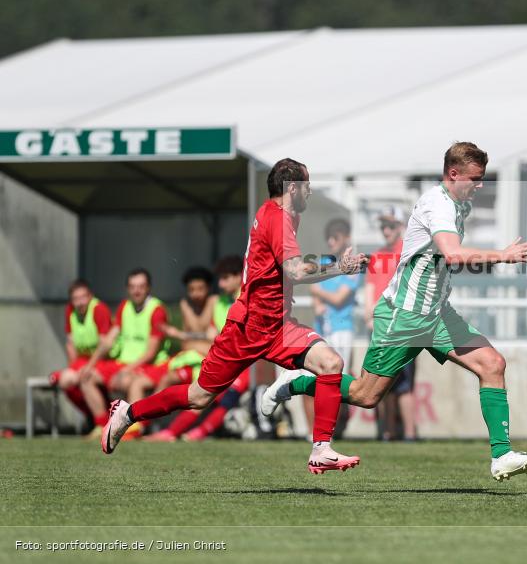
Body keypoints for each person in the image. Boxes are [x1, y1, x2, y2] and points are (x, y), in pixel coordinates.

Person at [263, 142, 527, 481]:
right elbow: (453, 254)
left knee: (493, 364)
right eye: (475, 178)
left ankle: (501, 456)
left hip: (437, 314)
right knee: (365, 395)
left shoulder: (459, 203)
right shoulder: (438, 205)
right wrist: (503, 255)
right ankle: (300, 381)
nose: (481, 184)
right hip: (405, 315)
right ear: (453, 174)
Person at [100, 158, 368, 475]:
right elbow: (295, 270)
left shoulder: (281, 216)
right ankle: (128, 413)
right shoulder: (277, 218)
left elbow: (287, 273)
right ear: (292, 188)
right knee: (198, 396)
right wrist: (339, 266)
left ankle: (321, 448)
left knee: (330, 364)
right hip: (248, 328)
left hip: (278, 326)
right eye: (307, 186)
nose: (309, 192)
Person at [270, 218, 362, 440]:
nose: (331, 242)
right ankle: (317, 432)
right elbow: (311, 287)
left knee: (337, 381)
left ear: (346, 238)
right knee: (320, 378)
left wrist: (320, 294)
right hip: (323, 330)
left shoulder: (353, 266)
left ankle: (329, 431)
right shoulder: (324, 261)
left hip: (342, 330)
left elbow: (338, 298)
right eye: (329, 238)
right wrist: (319, 295)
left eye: (336, 238)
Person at [146, 256, 247, 442]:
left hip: (243, 363)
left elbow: (221, 339)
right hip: (213, 359)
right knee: (186, 385)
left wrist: (188, 338)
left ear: (238, 276)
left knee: (221, 392)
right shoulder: (220, 302)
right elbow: (211, 337)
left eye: (225, 278)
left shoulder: (245, 298)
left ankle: (187, 432)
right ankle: (150, 426)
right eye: (220, 279)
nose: (221, 283)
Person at [80, 268, 170, 438]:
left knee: (131, 382)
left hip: (151, 365)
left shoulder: (157, 310)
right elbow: (109, 340)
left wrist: (125, 371)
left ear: (148, 288)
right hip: (124, 364)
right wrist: (90, 365)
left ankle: (135, 429)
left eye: (141, 286)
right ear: (127, 289)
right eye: (132, 286)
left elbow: (151, 353)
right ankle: (102, 425)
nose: (136, 291)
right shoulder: (124, 306)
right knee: (87, 376)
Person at [367, 206, 417, 441]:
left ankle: (408, 434)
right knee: (380, 384)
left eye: (390, 225)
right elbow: (370, 292)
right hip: (381, 327)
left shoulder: (408, 254)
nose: (385, 230)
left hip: (402, 327)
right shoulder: (377, 256)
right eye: (383, 226)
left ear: (401, 227)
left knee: (404, 385)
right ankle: (387, 433)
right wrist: (371, 315)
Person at [48, 279, 115, 435]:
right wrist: (74, 366)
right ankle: (95, 415)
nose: (80, 302)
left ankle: (102, 423)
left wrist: (87, 367)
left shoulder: (99, 309)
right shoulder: (70, 311)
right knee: (66, 381)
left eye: (83, 297)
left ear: (90, 296)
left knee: (82, 377)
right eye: (75, 299)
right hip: (85, 361)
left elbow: (104, 346)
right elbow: (70, 342)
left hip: (105, 361)